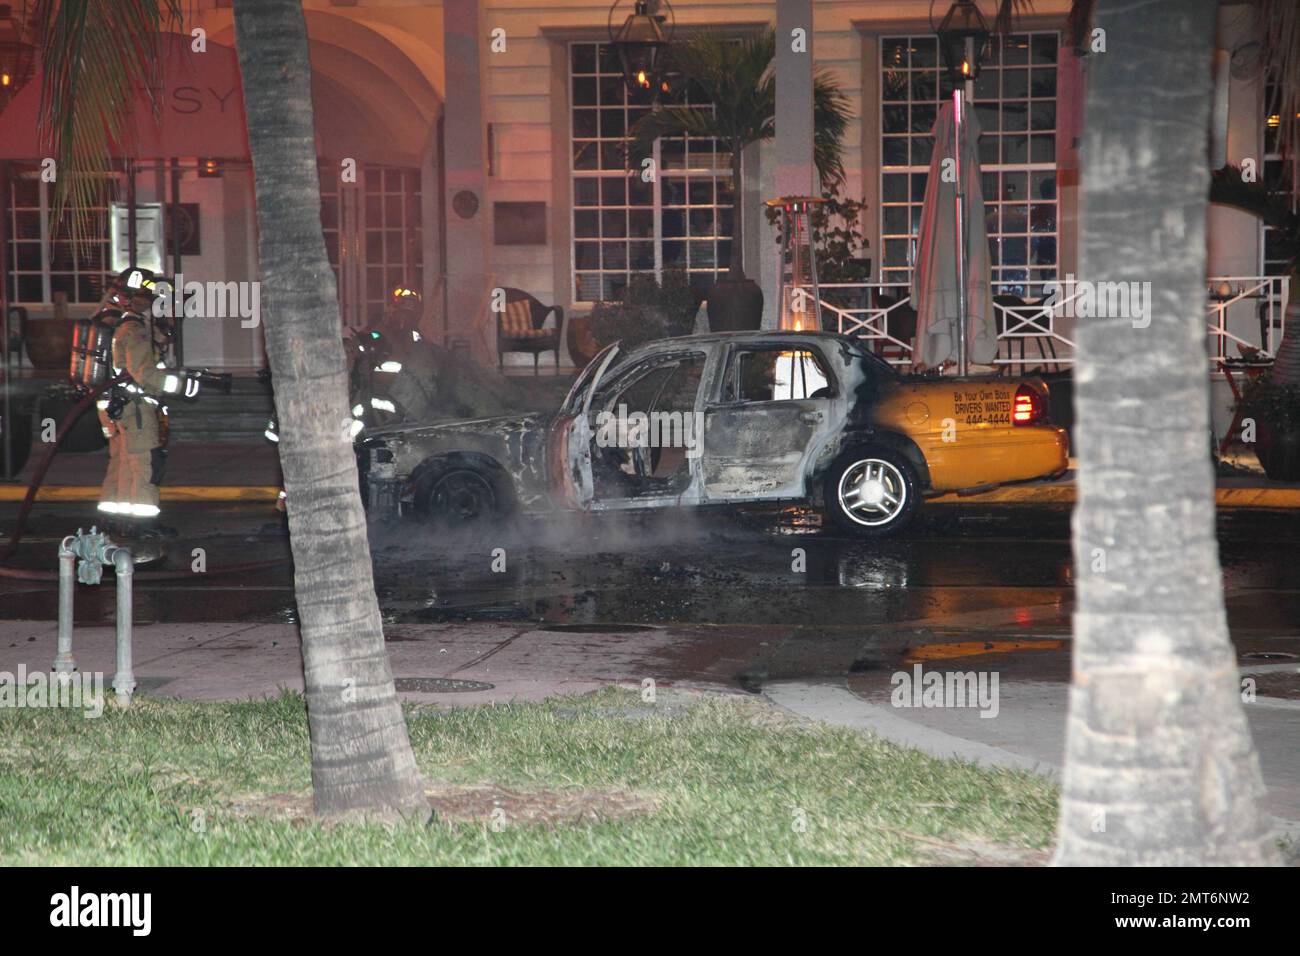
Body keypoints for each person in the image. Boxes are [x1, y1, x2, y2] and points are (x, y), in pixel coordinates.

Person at [91, 268, 226, 544]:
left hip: (115, 409)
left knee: (122, 463)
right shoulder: (134, 329)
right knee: (145, 465)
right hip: (136, 409)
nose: (156, 303)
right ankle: (142, 525)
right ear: (137, 299)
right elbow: (146, 375)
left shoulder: (117, 324)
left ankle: (114, 518)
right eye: (151, 298)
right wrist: (184, 387)